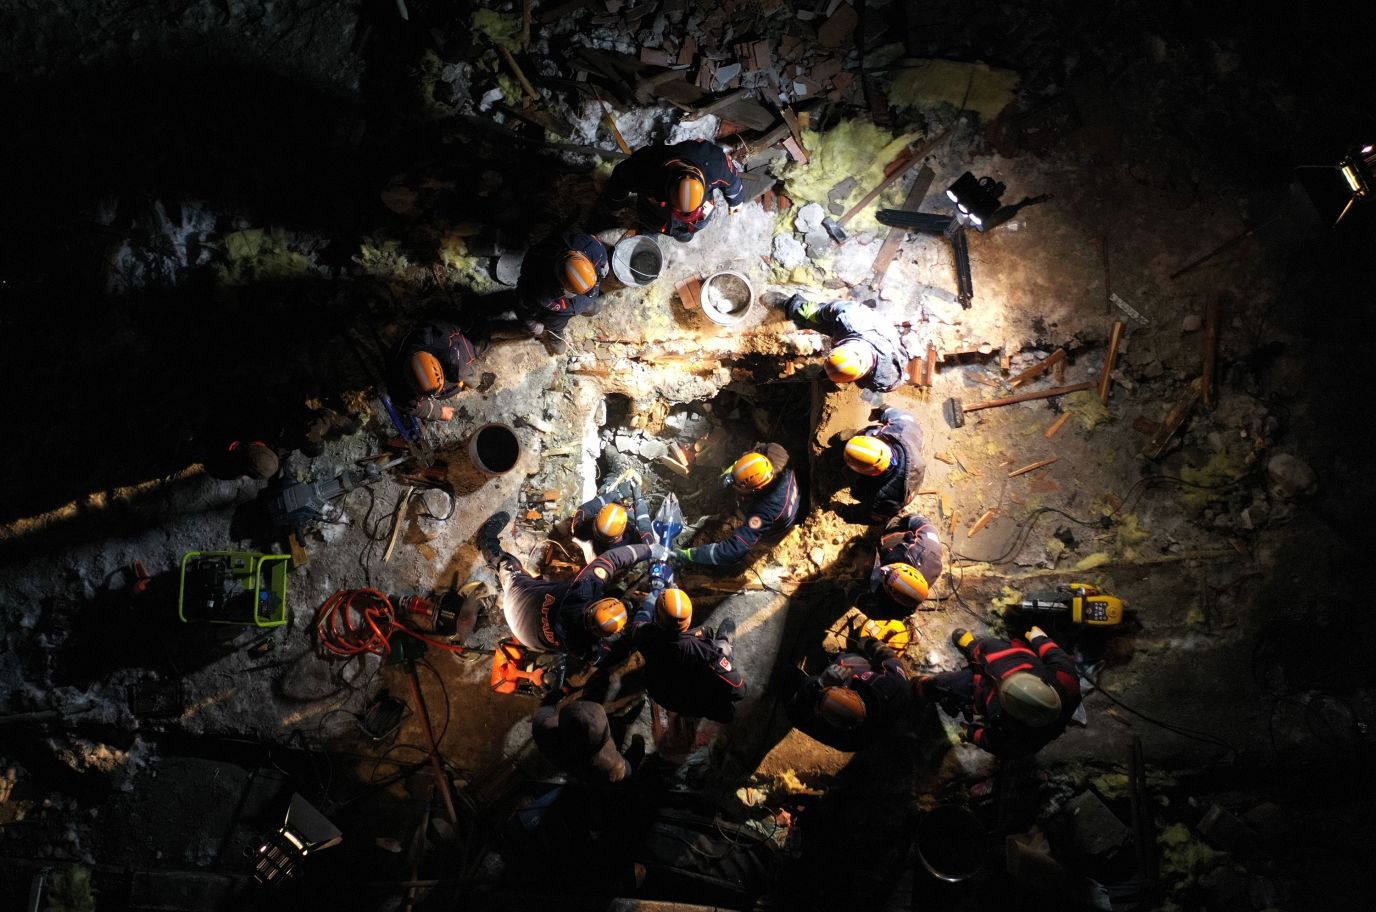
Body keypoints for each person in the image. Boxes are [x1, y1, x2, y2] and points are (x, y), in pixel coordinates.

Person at [479, 510, 657, 664]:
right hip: (529, 638)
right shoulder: (587, 650)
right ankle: (487, 542)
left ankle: (486, 541)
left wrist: (651, 551)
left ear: (593, 606)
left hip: (519, 604)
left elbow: (611, 558)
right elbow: (619, 654)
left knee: (508, 565)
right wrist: (646, 614)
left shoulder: (579, 593)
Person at [916, 627, 1082, 759]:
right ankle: (971, 646)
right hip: (1016, 659)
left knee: (942, 686)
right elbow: (1054, 653)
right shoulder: (1067, 681)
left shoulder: (1021, 740)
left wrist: (973, 734)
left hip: (978, 689)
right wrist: (1039, 637)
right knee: (989, 645)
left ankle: (922, 688)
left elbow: (994, 743)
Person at [630, 588, 746, 723]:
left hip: (662, 695)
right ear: (689, 620)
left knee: (705, 633)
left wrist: (654, 593)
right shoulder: (705, 652)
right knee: (721, 647)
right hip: (695, 701)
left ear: (656, 617)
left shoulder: (645, 634)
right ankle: (725, 643)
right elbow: (739, 690)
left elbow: (638, 623)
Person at [675, 444, 800, 567]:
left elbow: (732, 551)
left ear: (756, 489)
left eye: (739, 486)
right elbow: (755, 452)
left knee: (750, 548)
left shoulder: (764, 511)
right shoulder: (776, 452)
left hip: (775, 530)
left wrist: (690, 555)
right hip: (788, 495)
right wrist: (732, 473)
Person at [605, 139, 745, 242]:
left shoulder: (715, 164)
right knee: (652, 222)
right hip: (656, 213)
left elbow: (733, 183)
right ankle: (651, 230)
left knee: (690, 230)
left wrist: (736, 205)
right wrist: (614, 201)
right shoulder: (646, 167)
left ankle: (685, 233)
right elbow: (620, 178)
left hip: (700, 213)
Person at [787, 636, 911, 751]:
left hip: (811, 692)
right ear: (851, 693)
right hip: (859, 680)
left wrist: (818, 684)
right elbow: (888, 655)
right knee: (852, 660)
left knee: (791, 684)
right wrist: (867, 642)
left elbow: (796, 717)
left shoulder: (848, 740)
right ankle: (828, 660)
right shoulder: (895, 684)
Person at [785, 296, 910, 393]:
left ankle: (800, 321)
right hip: (870, 327)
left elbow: (893, 384)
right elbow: (837, 306)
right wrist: (817, 315)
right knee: (803, 313)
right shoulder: (852, 321)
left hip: (882, 343)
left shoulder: (883, 380)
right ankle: (789, 306)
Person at [515, 230, 610, 337]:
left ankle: (585, 306)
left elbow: (602, 259)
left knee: (593, 308)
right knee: (555, 324)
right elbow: (521, 302)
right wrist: (532, 325)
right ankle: (556, 333)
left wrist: (604, 266)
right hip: (558, 313)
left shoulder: (591, 247)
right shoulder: (535, 280)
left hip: (580, 301)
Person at [386, 319, 482, 421]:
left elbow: (453, 321)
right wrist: (439, 413)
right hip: (458, 363)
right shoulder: (400, 390)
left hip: (462, 348)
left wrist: (471, 325)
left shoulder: (431, 338)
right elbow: (413, 407)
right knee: (471, 381)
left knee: (480, 342)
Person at [531, 699, 643, 785]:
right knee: (629, 766)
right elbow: (626, 769)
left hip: (570, 763)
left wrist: (554, 697)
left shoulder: (544, 731)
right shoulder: (608, 763)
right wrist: (638, 747)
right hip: (594, 773)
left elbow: (543, 712)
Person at [843, 408, 926, 523]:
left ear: (871, 473)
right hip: (914, 460)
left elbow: (870, 516)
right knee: (873, 432)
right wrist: (881, 411)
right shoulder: (905, 428)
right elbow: (897, 414)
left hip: (905, 487)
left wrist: (845, 512)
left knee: (856, 487)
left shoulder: (884, 497)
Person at [859, 514, 945, 620]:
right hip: (903, 547)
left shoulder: (901, 607)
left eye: (886, 576)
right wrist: (906, 520)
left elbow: (876, 612)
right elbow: (924, 524)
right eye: (890, 570)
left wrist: (858, 599)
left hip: (887, 594)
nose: (883, 570)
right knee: (893, 529)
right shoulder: (926, 547)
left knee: (865, 582)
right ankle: (888, 530)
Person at [571, 470, 651, 556]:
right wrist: (639, 500)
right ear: (624, 528)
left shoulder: (581, 530)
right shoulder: (623, 551)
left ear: (596, 520)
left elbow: (583, 509)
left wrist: (611, 495)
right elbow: (647, 534)